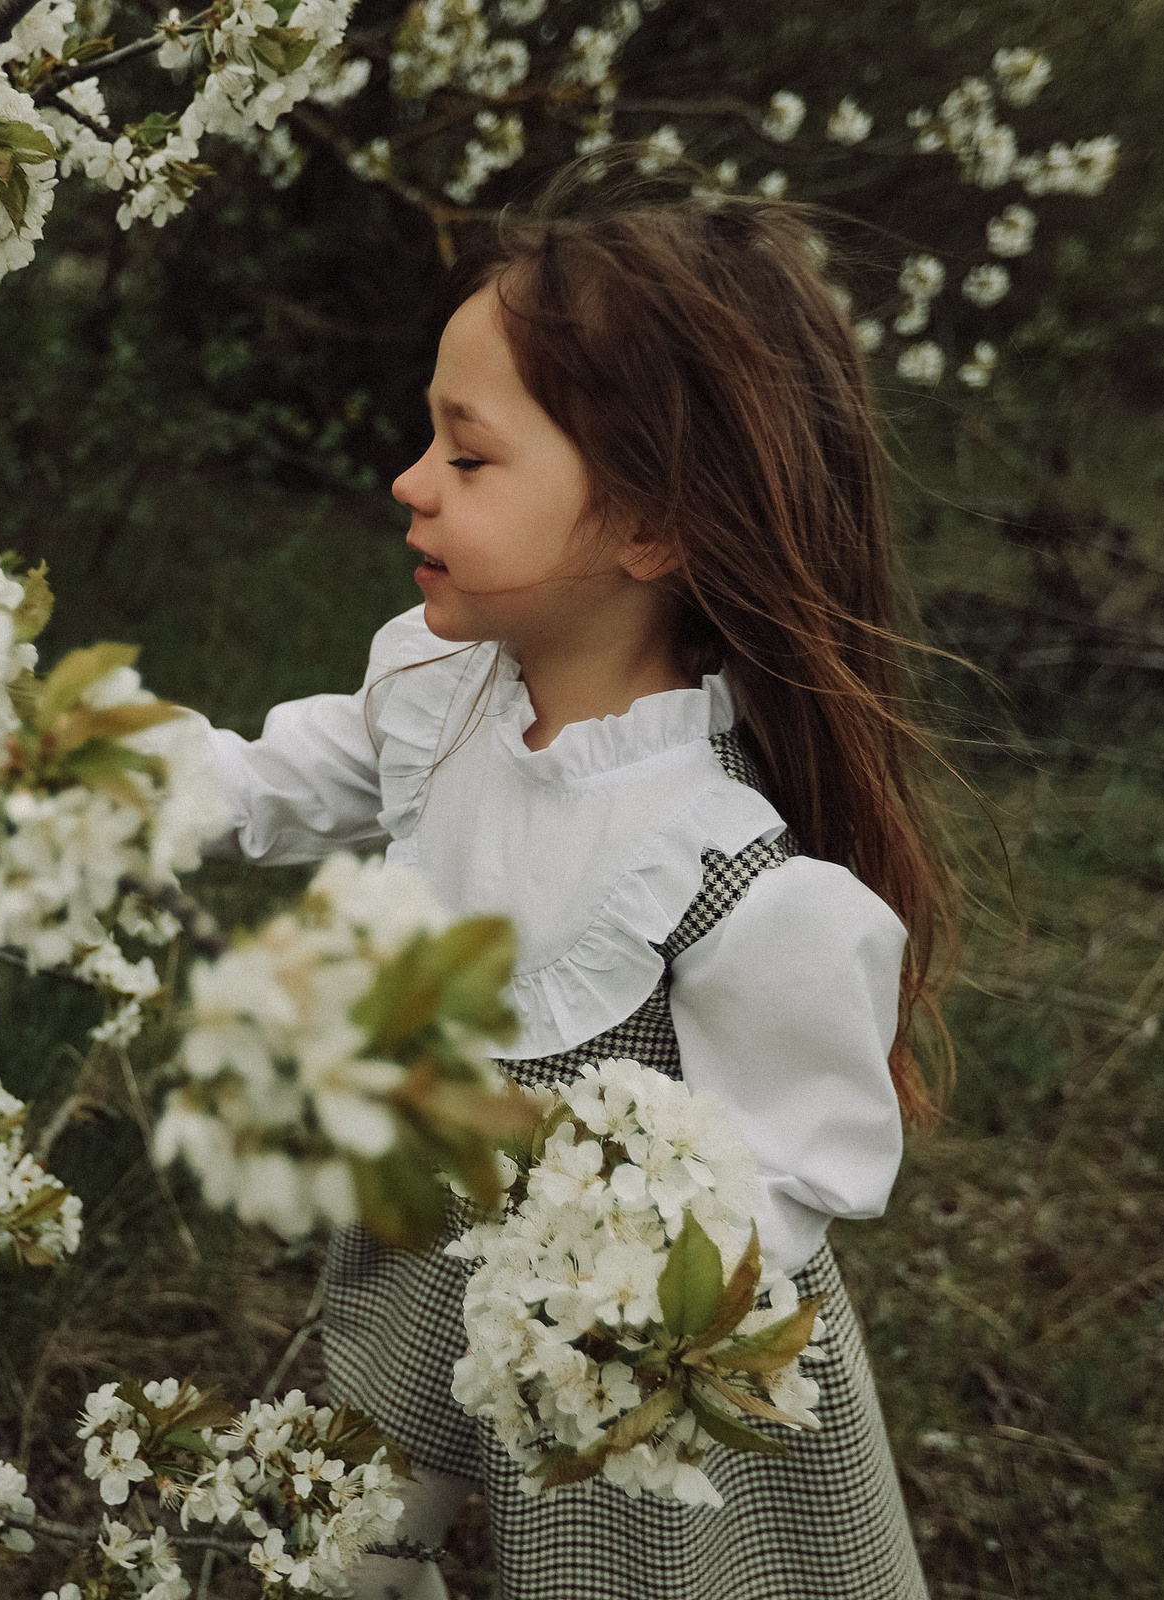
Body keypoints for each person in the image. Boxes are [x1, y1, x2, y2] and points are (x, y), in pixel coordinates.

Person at [200, 158, 947, 1600]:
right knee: (347, 1537)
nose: (412, 482)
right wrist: (112, 775)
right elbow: (283, 776)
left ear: (652, 524)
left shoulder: (717, 867)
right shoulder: (446, 693)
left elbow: (796, 1171)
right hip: (429, 1268)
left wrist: (623, 1302)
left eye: (469, 459)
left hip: (611, 1385)